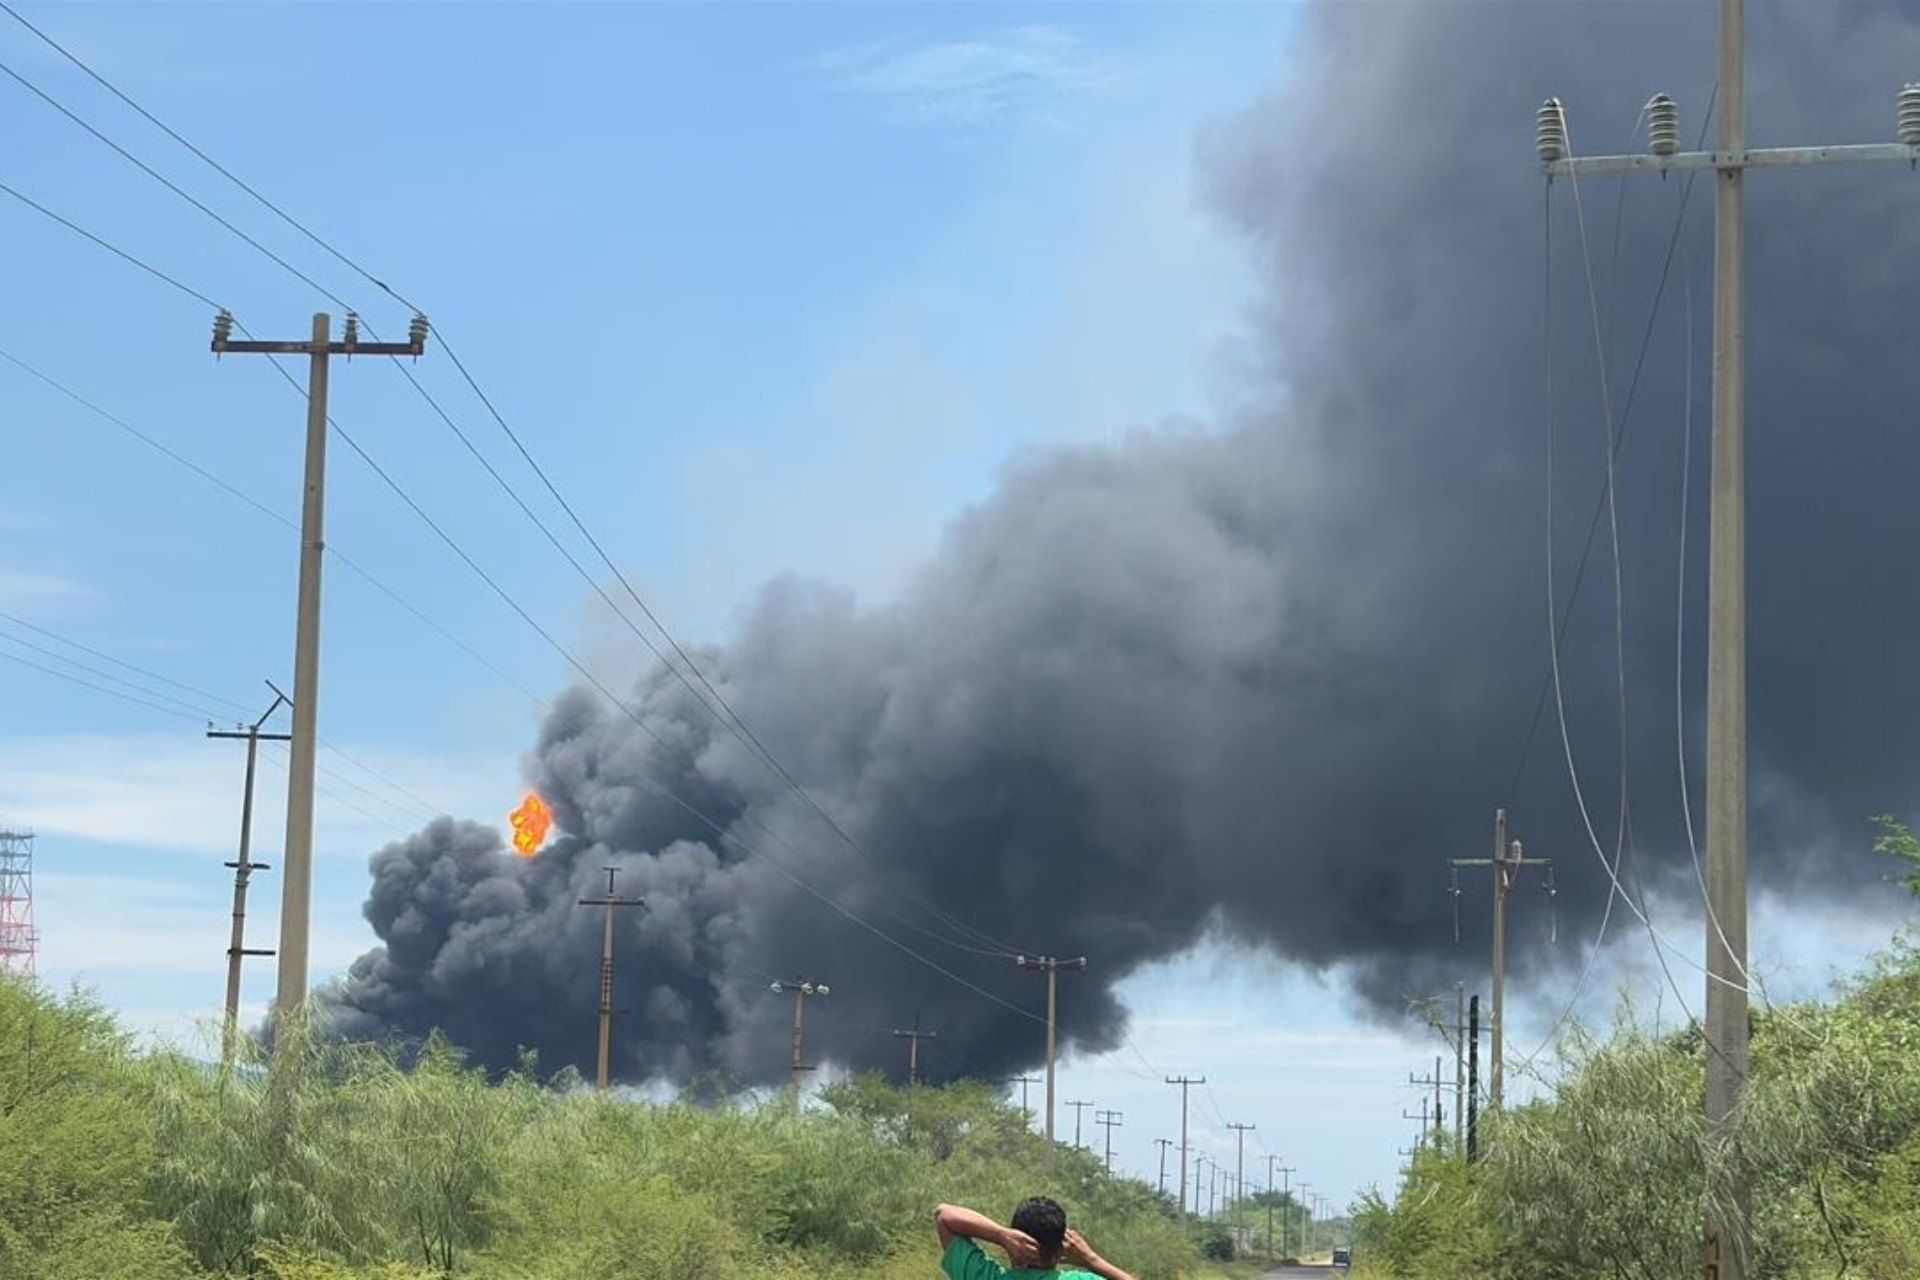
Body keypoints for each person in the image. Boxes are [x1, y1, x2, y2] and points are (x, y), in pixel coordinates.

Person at [934, 1199, 1137, 1280]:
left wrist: (1001, 1235)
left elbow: (944, 1215)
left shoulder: (986, 1277)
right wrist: (1090, 1259)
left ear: (1014, 1245)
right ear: (1059, 1252)